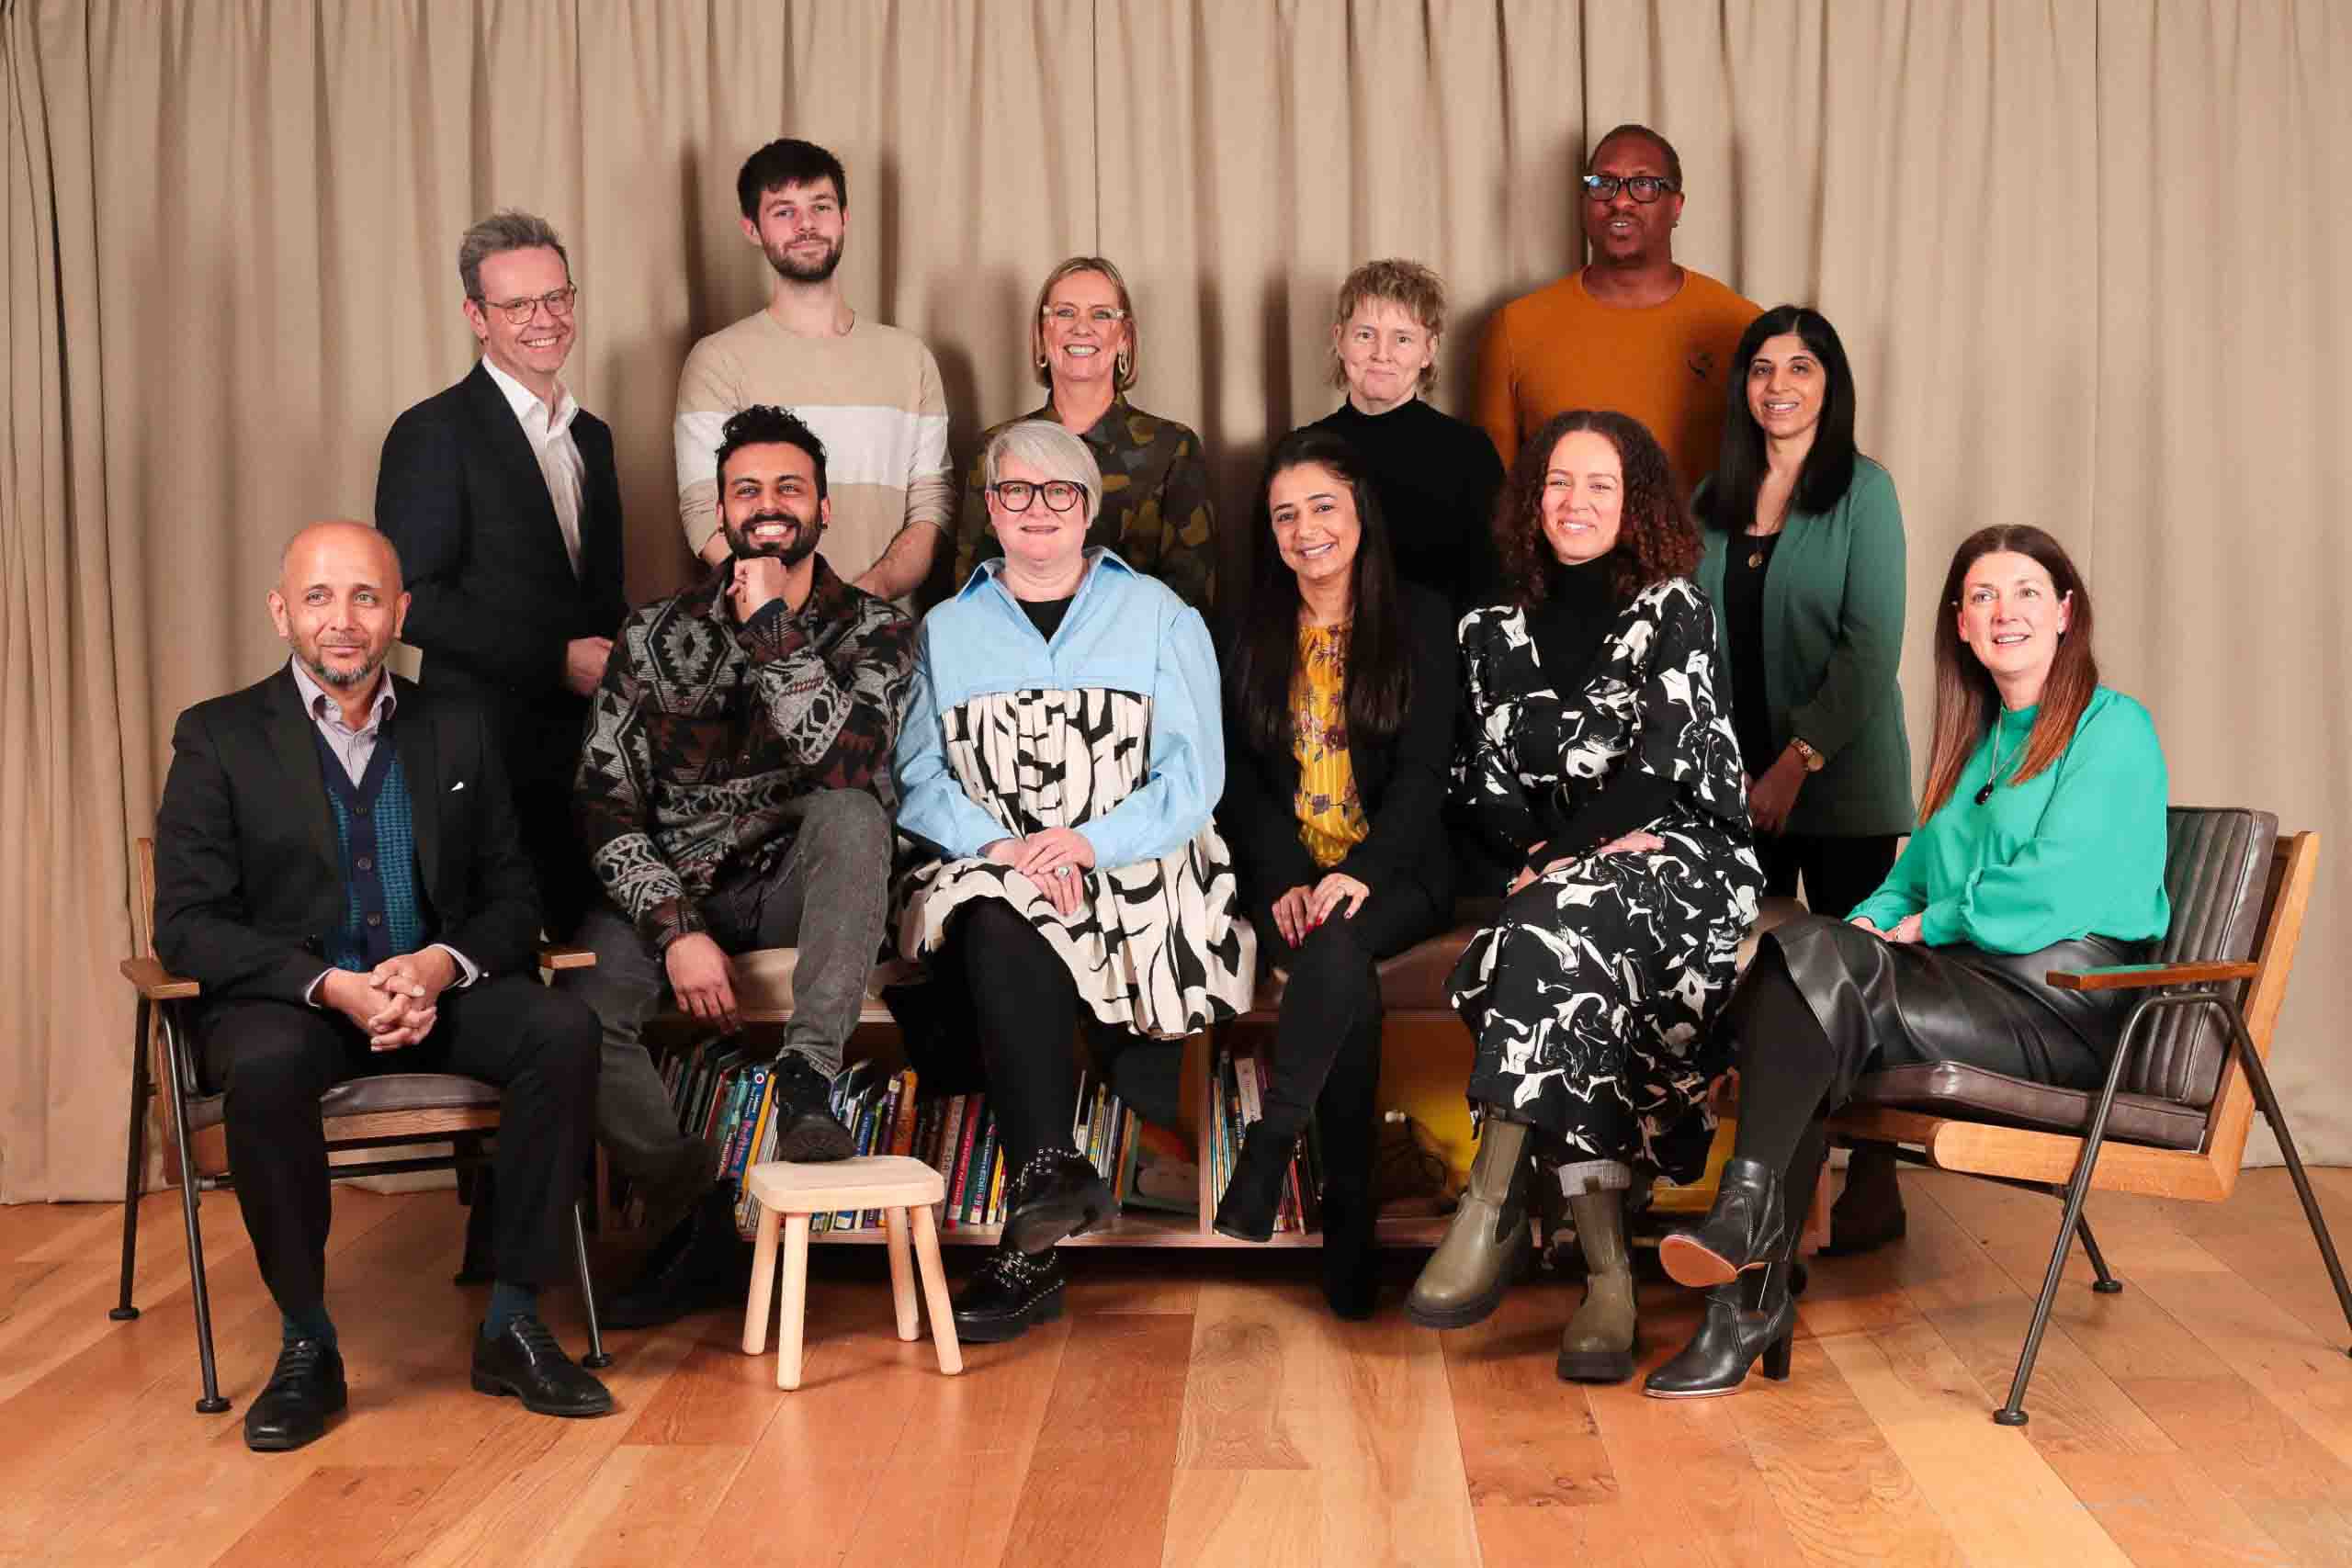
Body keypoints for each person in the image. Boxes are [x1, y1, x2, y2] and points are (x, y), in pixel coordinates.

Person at [1648, 525, 2169, 1399]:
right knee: (1808, 968)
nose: (2007, 612)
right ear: (1960, 625)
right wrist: (1853, 932)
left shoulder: (2113, 730)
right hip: (1973, 990)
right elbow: (1909, 879)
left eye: (2028, 592)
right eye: (1983, 597)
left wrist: (1933, 923)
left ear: (2067, 614)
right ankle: (1742, 1285)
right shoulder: (1980, 746)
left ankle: (1745, 1266)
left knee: (1815, 979)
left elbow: (2059, 882)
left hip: (2060, 1009)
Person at [153, 522, 611, 1452]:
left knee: (562, 1032)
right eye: (319, 598)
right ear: (283, 612)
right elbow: (187, 922)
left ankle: (512, 1324)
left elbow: (511, 890)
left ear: (400, 613)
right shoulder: (218, 737)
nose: (343, 621)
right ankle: (308, 1345)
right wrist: (327, 985)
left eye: (366, 597)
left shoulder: (456, 726)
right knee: (270, 1065)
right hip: (297, 1005)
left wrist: (442, 966)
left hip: (438, 993)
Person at [1406, 411, 1762, 1387]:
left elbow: (1658, 772)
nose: (1576, 503)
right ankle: (1608, 1275)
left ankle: (1493, 1210)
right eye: (1559, 483)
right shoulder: (1487, 629)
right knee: (1554, 953)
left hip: (1680, 860)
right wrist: (1537, 858)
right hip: (1553, 883)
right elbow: (1473, 779)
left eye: (1600, 486)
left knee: (1540, 932)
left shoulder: (1672, 608)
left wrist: (1555, 860)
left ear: (1636, 501)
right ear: (1532, 499)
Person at [896, 420, 1250, 1343]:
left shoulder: (1164, 617)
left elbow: (1192, 776)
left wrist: (1087, 844)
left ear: (1089, 509)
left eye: (1059, 493)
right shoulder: (947, 630)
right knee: (992, 920)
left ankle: (1034, 1236)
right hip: (998, 866)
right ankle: (1047, 1187)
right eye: (1015, 491)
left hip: (1138, 861)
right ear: (990, 509)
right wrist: (1003, 848)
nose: (1037, 510)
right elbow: (919, 777)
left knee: (1017, 927)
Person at [569, 404, 914, 1327]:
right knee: (578, 1016)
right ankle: (700, 1212)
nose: (767, 506)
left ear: (826, 508)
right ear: (718, 510)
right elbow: (603, 805)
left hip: (802, 890)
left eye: (789, 488)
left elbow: (851, 766)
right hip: (670, 894)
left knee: (851, 810)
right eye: (746, 490)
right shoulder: (649, 634)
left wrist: (770, 629)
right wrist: (676, 930)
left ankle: (808, 1077)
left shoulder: (878, 630)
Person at [1215, 430, 1457, 1316]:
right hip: (1290, 871)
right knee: (1336, 960)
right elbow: (1237, 774)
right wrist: (1281, 871)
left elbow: (1431, 769)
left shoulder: (1424, 619)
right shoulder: (1242, 629)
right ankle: (1344, 1203)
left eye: (1323, 506)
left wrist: (1364, 869)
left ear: (1360, 517)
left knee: (1342, 934)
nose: (1305, 528)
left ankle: (1279, 1149)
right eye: (1285, 513)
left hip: (1398, 868)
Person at [1692, 305, 1917, 1254]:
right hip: (1729, 785)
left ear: (1831, 385)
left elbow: (1872, 647)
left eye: (1800, 368)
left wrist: (1795, 762)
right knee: (1746, 983)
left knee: (1858, 981)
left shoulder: (1864, 493)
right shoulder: (1713, 496)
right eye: (1760, 369)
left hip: (1840, 780)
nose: (1777, 386)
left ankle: (1871, 1179)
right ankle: (1765, 1189)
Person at [377, 209, 628, 944]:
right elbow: (411, 601)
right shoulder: (433, 432)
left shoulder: (594, 437)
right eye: (518, 305)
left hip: (591, 755)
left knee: (596, 962)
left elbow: (600, 596)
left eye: (556, 298)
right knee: (506, 962)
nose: (543, 319)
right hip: (484, 754)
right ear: (476, 317)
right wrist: (556, 659)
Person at [674, 138, 953, 601]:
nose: (805, 225)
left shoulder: (910, 358)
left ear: (844, 216)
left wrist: (861, 600)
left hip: (883, 641)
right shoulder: (717, 360)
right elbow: (705, 511)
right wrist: (784, 610)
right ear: (751, 228)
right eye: (784, 211)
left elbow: (931, 507)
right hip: (762, 643)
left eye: (820, 206)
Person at [1473, 124, 1759, 494]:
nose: (1621, 201)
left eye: (1644, 185)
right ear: (1584, 202)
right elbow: (1495, 495)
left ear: (1676, 206)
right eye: (1603, 184)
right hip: (1560, 551)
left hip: (1702, 550)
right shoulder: (1515, 327)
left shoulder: (1741, 324)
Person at [948, 256, 1217, 610]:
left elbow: (1189, 602)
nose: (1081, 327)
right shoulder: (996, 449)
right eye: (1064, 313)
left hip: (1132, 660)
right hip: (1014, 658)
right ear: (1043, 335)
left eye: (1101, 314)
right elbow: (971, 591)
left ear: (1124, 338)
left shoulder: (1172, 449)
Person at [1309, 259, 1506, 611]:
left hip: (1439, 656)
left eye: (1402, 338)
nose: (1381, 354)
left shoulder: (1469, 453)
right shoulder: (1303, 451)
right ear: (1340, 340)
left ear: (1428, 349)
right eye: (1365, 334)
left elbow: (1493, 587)